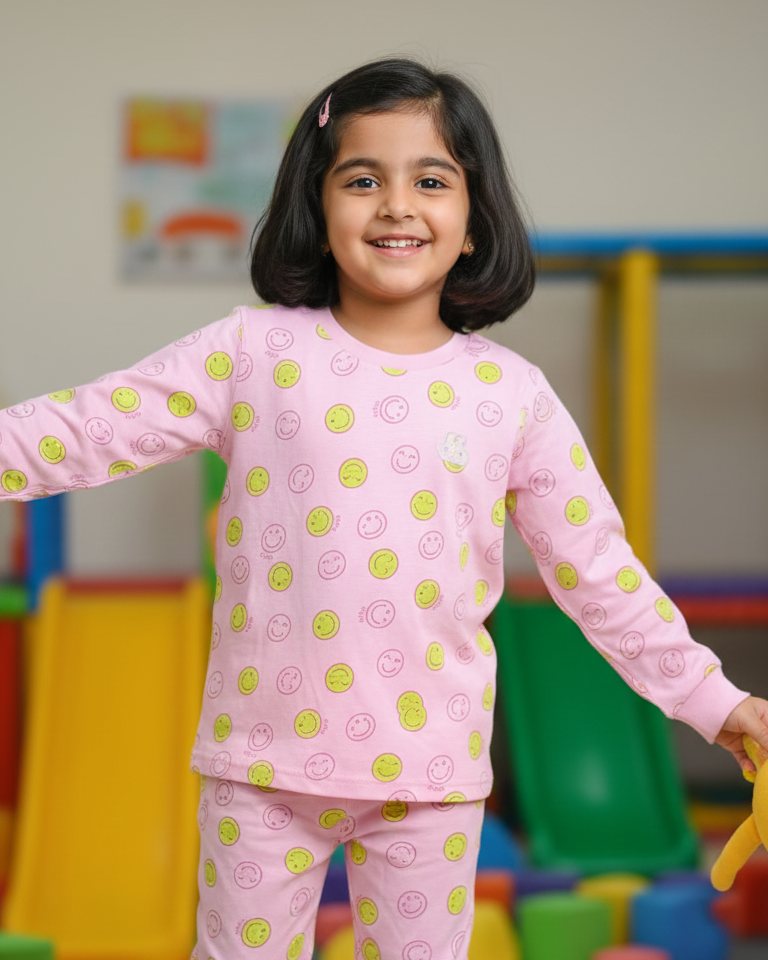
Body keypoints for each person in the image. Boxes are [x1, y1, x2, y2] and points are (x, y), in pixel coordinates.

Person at [1, 57, 766, 960]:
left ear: (474, 221)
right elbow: (90, 425)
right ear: (317, 211)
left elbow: (599, 572)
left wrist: (715, 702)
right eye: (363, 179)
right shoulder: (252, 352)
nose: (397, 205)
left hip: (430, 777)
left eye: (432, 180)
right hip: (262, 769)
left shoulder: (510, 395)